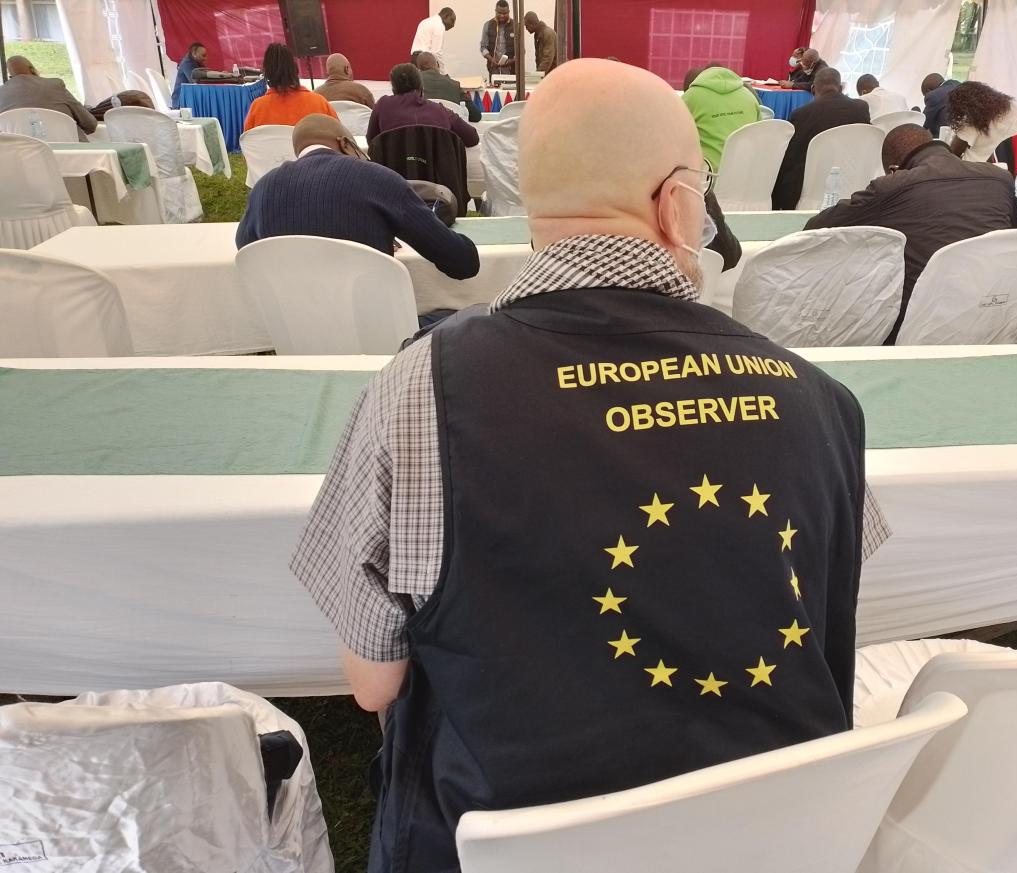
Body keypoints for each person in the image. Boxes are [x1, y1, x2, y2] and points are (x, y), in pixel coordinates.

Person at [291, 57, 888, 873]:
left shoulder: (418, 392)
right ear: (675, 203)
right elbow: (827, 609)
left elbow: (374, 686)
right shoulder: (822, 401)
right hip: (764, 838)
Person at [806, 124, 1017, 342]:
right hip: (990, 317)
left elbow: (817, 227)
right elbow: (1016, 238)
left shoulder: (893, 185)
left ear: (893, 168)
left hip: (914, 327)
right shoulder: (1000, 179)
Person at [236, 114, 479, 281]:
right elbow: (462, 263)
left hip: (296, 331)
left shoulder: (263, 189)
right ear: (345, 144)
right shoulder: (378, 179)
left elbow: (247, 252)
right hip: (378, 332)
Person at [772, 68, 871, 209]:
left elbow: (791, 162)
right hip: (854, 187)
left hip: (813, 194)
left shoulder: (801, 115)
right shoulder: (861, 108)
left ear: (813, 89)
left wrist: (780, 204)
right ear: (841, 88)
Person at [366, 63, 479, 147]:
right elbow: (472, 138)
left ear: (393, 89)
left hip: (394, 176)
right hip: (434, 178)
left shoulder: (383, 106)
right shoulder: (441, 111)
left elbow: (371, 141)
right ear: (421, 87)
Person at [681, 64, 762, 170]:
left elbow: (675, 139)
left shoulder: (690, 97)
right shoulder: (749, 96)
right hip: (746, 172)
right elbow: (760, 134)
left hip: (708, 176)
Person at [243, 43, 337, 131]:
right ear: (294, 69)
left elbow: (249, 142)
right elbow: (339, 136)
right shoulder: (319, 103)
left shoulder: (257, 108)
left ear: (267, 72)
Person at [0, 56, 97, 138]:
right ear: (32, 69)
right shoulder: (55, 85)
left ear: (11, 77)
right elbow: (90, 124)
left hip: (21, 156)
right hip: (71, 153)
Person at [945, 81, 1017, 161]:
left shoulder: (974, 118)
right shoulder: (1016, 109)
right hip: (1010, 166)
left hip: (977, 167)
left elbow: (954, 152)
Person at [416, 52, 481, 122]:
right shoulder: (454, 85)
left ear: (418, 68)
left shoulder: (413, 86)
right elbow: (475, 116)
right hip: (449, 131)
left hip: (421, 131)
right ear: (437, 65)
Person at [410, 7, 456, 73]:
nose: (453, 25)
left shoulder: (425, 21)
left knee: (416, 82)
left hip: (414, 58)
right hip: (426, 61)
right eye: (452, 20)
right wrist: (444, 73)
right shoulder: (440, 26)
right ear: (446, 16)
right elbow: (436, 52)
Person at [480, 0, 516, 80]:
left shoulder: (516, 26)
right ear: (495, 11)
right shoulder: (488, 25)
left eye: (505, 13)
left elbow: (521, 51)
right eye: (499, 13)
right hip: (493, 69)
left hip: (511, 71)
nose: (502, 16)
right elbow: (483, 47)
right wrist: (491, 59)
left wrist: (512, 60)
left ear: (509, 12)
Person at [920, 73, 960, 137]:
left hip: (948, 138)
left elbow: (923, 123)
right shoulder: (958, 84)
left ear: (929, 91)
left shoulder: (934, 96)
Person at [171, 42, 207, 109]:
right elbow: (196, 82)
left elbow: (205, 74)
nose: (205, 58)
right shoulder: (188, 63)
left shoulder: (195, 62)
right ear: (194, 54)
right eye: (203, 55)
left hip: (187, 100)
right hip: (181, 103)